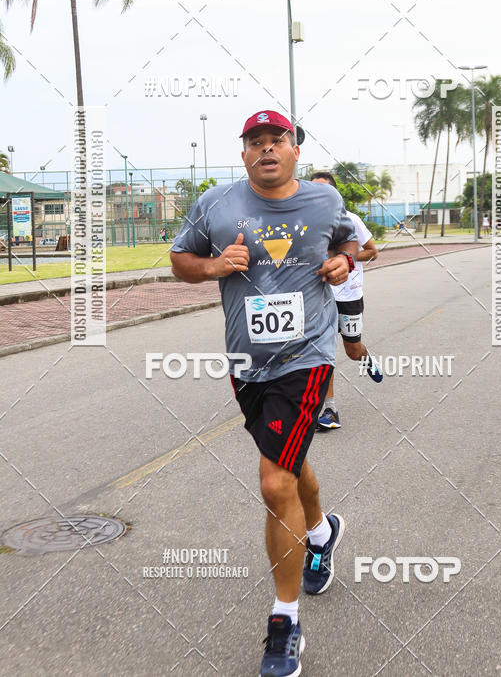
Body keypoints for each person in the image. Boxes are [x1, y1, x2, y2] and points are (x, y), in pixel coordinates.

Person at [170, 111, 358, 677]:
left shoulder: (325, 202)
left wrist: (342, 261)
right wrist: (211, 266)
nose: (267, 149)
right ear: (244, 152)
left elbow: (358, 246)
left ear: (295, 150)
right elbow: (180, 261)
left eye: (277, 140)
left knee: (274, 478)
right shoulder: (216, 203)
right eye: (255, 142)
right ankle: (321, 532)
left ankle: (284, 623)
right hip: (246, 364)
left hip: (308, 357)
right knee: (290, 462)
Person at [311, 171, 382, 430]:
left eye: (323, 191)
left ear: (334, 195)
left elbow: (372, 252)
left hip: (349, 296)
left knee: (352, 352)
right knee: (324, 354)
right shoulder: (303, 222)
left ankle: (366, 357)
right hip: (320, 298)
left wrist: (345, 259)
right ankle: (330, 410)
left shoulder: (350, 220)